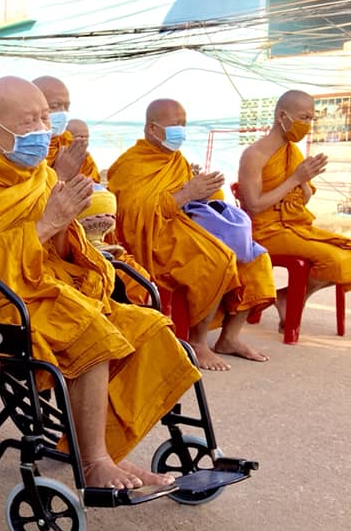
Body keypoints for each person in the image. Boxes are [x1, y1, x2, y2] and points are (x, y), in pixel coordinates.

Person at [0, 76, 200, 489]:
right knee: (92, 333)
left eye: (45, 118)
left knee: (148, 328)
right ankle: (92, 463)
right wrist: (47, 223)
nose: (42, 130)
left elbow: (61, 244)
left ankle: (106, 450)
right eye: (29, 122)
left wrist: (66, 222)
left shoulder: (38, 173)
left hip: (48, 286)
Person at [107, 99, 275, 370]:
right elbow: (129, 215)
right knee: (217, 259)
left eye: (184, 124)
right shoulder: (131, 164)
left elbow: (189, 204)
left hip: (184, 227)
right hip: (154, 240)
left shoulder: (177, 160)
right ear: (152, 128)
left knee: (257, 257)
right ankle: (198, 341)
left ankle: (229, 338)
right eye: (175, 124)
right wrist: (186, 193)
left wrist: (203, 192)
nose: (181, 131)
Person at [237, 89, 351, 321]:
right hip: (265, 231)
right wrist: (296, 179)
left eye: (311, 118)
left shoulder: (293, 152)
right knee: (336, 259)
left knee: (347, 252)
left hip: (293, 227)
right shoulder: (254, 154)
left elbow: (302, 200)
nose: (308, 125)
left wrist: (305, 183)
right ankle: (289, 299)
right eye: (303, 118)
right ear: (282, 116)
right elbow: (255, 206)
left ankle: (289, 297)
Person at [32, 76, 100, 182]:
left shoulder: (69, 144)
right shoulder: (17, 146)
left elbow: (92, 185)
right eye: (54, 106)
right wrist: (60, 175)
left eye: (66, 107)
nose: (63, 113)